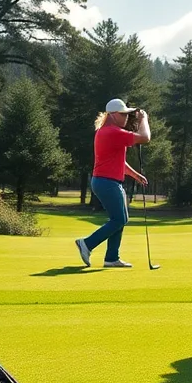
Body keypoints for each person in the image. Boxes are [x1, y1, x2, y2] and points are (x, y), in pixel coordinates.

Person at [75, 99, 150, 268]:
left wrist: (135, 175)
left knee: (121, 219)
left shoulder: (108, 132)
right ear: (114, 115)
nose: (126, 118)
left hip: (107, 181)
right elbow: (145, 138)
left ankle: (111, 258)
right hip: (107, 181)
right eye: (123, 114)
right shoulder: (113, 132)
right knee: (119, 219)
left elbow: (119, 162)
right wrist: (143, 119)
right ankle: (87, 244)